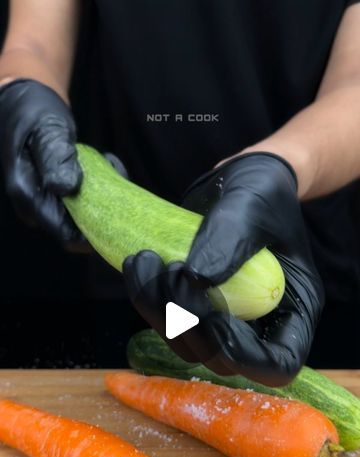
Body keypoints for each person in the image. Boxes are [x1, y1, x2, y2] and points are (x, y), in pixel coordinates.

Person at [0, 0, 359, 385]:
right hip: (124, 270)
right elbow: (32, 42)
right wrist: (20, 89)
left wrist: (283, 165)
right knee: (136, 378)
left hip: (296, 262)